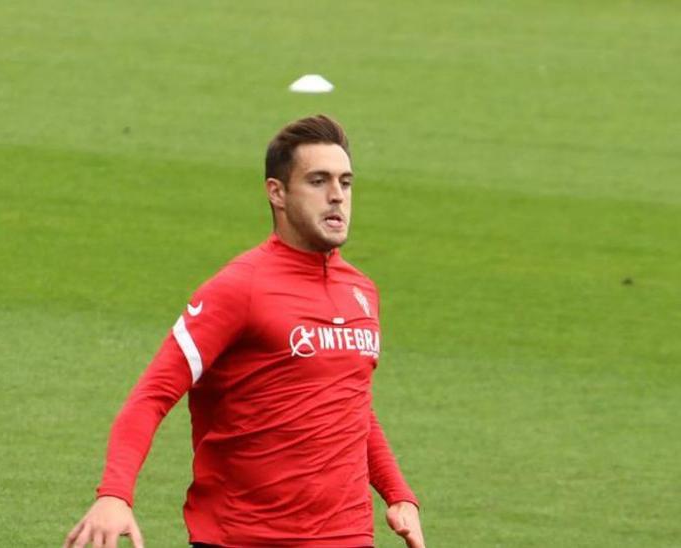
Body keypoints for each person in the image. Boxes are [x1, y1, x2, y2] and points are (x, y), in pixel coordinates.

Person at [63, 115, 426, 548]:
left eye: (346, 183)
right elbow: (152, 395)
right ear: (277, 192)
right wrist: (114, 493)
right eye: (318, 181)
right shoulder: (240, 288)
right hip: (244, 537)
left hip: (346, 537)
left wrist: (398, 494)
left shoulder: (361, 291)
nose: (337, 197)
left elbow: (351, 402)